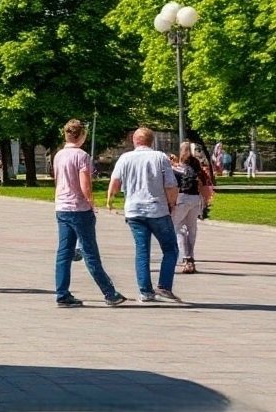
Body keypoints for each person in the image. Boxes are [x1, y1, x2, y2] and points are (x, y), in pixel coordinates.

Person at [52, 120, 126, 308]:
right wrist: (91, 202)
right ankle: (109, 293)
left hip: (62, 206)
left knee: (64, 252)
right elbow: (85, 183)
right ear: (82, 136)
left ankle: (62, 293)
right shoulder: (82, 156)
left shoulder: (58, 155)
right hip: (79, 208)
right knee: (90, 251)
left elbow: (57, 179)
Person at [107, 128, 182, 303]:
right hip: (157, 209)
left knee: (142, 251)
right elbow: (171, 184)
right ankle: (164, 285)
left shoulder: (125, 158)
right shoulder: (160, 157)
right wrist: (172, 204)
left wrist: (110, 200)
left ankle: (146, 292)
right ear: (151, 141)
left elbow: (115, 182)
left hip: (134, 210)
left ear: (135, 141)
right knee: (170, 249)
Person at [172, 143, 208, 274]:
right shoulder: (196, 168)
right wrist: (204, 204)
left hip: (181, 199)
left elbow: (173, 187)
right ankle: (190, 258)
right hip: (195, 199)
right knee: (191, 229)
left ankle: (185, 258)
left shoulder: (176, 170)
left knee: (178, 228)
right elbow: (204, 187)